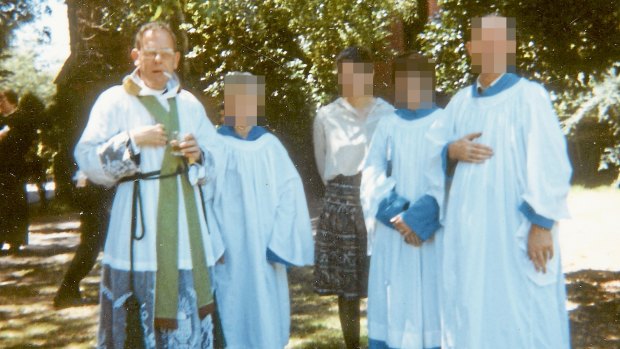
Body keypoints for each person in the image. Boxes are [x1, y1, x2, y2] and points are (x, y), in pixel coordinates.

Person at [74, 22, 223, 348]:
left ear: (177, 59)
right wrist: (131, 142)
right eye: (150, 52)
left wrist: (199, 155)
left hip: (186, 227)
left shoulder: (189, 104)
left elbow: (219, 161)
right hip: (136, 228)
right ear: (135, 56)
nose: (158, 59)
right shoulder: (114, 100)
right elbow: (85, 157)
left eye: (165, 53)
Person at [428, 14, 572, 348]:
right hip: (471, 234)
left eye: (499, 42)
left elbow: (551, 164)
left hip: (515, 230)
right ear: (470, 48)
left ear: (510, 47)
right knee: (474, 307)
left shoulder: (529, 97)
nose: (491, 49)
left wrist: (541, 225)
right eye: (483, 42)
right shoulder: (459, 103)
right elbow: (429, 157)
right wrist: (450, 150)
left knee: (522, 312)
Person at [207, 72, 314, 348]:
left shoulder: (270, 146)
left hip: (264, 247)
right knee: (231, 308)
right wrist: (214, 244)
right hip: (229, 249)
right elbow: (203, 198)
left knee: (266, 314)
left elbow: (290, 192)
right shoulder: (214, 146)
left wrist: (279, 243)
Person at [360, 52, 444, 349]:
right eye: (403, 81)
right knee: (396, 301)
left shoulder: (444, 122)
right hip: (395, 233)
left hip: (431, 234)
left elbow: (450, 179)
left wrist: (419, 219)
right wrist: (399, 215)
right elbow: (371, 174)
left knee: (432, 304)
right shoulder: (388, 125)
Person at [313, 46, 394, 349]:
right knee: (346, 291)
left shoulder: (388, 114)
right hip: (342, 205)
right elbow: (323, 166)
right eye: (343, 75)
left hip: (378, 204)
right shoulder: (326, 115)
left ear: (369, 74)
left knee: (383, 280)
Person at [53, 171, 114, 308]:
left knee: (96, 247)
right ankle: (66, 292)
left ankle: (69, 291)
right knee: (90, 248)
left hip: (97, 194)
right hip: (95, 196)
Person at [0, 89, 36, 253]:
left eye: (3, 100)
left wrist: (8, 137)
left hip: (15, 167)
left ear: (13, 102)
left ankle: (16, 241)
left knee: (16, 203)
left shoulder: (22, 118)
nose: (1, 103)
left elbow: (26, 141)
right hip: (1, 168)